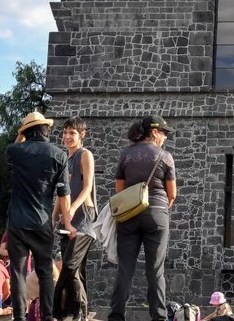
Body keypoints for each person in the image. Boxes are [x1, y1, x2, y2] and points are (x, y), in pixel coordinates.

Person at [5, 111, 77, 321]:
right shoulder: (59, 155)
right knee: (45, 270)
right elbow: (64, 194)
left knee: (17, 273)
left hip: (17, 222)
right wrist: (69, 223)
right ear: (46, 130)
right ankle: (47, 316)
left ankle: (19, 317)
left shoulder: (15, 151)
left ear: (26, 131)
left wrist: (21, 134)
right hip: (42, 221)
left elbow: (14, 147)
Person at [109, 115, 177, 321]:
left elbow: (119, 190)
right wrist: (158, 208)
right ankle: (158, 316)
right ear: (154, 132)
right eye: (164, 133)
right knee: (155, 270)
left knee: (125, 268)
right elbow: (172, 194)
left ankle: (116, 316)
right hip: (156, 214)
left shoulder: (126, 154)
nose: (165, 137)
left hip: (129, 216)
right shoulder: (165, 156)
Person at [52, 116, 97, 321]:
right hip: (66, 219)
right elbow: (60, 194)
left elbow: (87, 186)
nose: (68, 137)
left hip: (84, 217)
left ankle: (73, 312)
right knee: (76, 268)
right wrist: (54, 218)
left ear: (82, 135)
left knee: (70, 265)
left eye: (72, 133)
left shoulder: (84, 155)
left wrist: (73, 207)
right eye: (65, 132)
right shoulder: (64, 160)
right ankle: (77, 312)